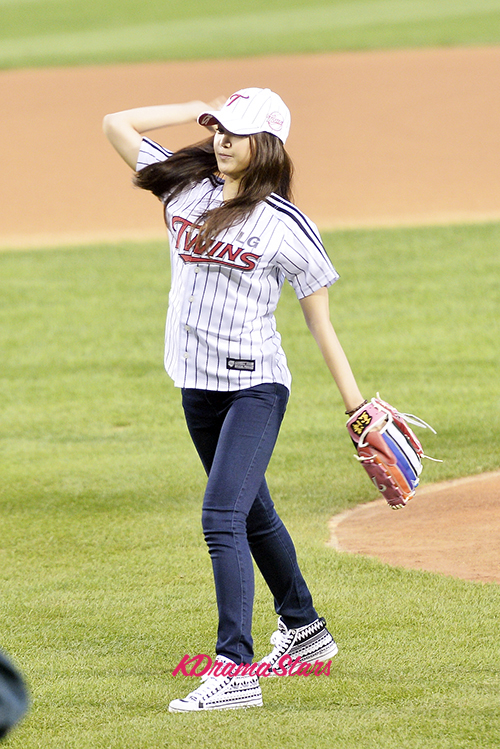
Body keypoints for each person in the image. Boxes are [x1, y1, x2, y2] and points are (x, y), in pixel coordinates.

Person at [103, 87, 367, 712]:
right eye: (218, 127)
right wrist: (194, 103)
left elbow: (318, 323)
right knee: (252, 514)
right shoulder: (185, 189)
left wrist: (357, 406)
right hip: (196, 385)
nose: (222, 139)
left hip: (255, 386)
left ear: (267, 145)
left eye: (237, 131)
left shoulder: (285, 225)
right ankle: (304, 630)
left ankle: (233, 669)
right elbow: (115, 124)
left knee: (220, 516)